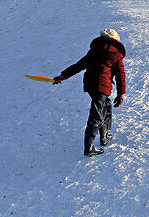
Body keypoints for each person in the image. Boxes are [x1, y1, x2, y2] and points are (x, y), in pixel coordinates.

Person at [53, 28, 126, 157]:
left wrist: (63, 76)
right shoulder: (116, 54)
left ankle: (104, 136)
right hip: (101, 86)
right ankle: (89, 147)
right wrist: (121, 94)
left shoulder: (94, 51)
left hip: (90, 84)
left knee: (106, 106)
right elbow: (121, 76)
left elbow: (79, 65)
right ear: (115, 40)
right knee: (96, 114)